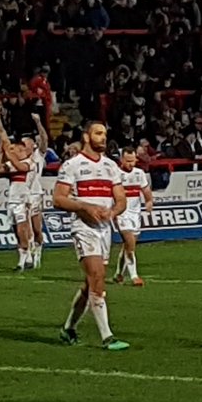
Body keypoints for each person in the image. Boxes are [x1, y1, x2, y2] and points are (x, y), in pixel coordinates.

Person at [53, 121, 129, 352]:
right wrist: (85, 207)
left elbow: (121, 199)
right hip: (83, 227)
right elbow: (58, 199)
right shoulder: (72, 165)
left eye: (104, 133)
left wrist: (112, 212)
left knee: (90, 284)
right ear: (86, 137)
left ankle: (68, 328)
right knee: (97, 276)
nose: (103, 138)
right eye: (98, 133)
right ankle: (107, 337)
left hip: (104, 229)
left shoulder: (111, 166)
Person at [0, 113, 33, 273]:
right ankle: (27, 255)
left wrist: (8, 152)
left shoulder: (28, 162)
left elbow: (21, 167)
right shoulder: (12, 162)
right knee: (15, 229)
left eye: (16, 149)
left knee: (22, 228)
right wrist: (1, 152)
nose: (14, 151)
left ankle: (22, 262)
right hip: (12, 199)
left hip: (23, 199)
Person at [114, 146, 154, 286]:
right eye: (128, 161)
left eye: (133, 160)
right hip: (121, 213)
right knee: (130, 243)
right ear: (121, 159)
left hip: (135, 214)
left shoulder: (139, 173)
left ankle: (119, 273)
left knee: (128, 246)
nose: (131, 164)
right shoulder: (115, 174)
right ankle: (134, 276)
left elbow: (146, 190)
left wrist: (149, 201)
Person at [28, 112, 48, 270]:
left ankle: (39, 249)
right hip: (22, 194)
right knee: (24, 226)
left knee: (36, 228)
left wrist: (38, 122)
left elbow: (44, 138)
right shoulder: (20, 156)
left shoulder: (39, 155)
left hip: (35, 193)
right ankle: (28, 255)